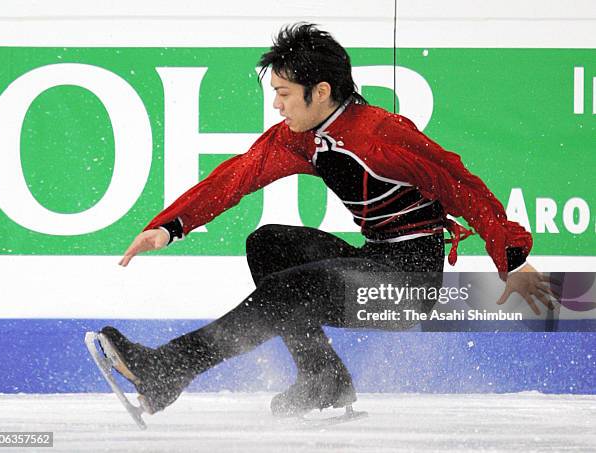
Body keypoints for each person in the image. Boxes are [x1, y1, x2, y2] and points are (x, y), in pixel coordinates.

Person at [98, 23, 556, 417]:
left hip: (405, 287)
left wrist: (510, 259)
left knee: (288, 289)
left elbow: (459, 184)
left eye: (283, 94)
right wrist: (169, 226)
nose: (277, 105)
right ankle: (323, 379)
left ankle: (168, 370)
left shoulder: (379, 136)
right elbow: (236, 176)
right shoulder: (304, 137)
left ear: (320, 91)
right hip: (374, 261)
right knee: (269, 243)